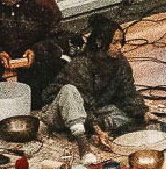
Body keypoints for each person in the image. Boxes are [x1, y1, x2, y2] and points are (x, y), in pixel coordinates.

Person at [41, 14, 149, 149]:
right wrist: (97, 129)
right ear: (99, 42)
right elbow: (84, 102)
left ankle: (92, 127)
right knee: (70, 92)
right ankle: (83, 142)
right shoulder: (81, 64)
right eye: (114, 42)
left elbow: (128, 93)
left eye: (120, 42)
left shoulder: (120, 62)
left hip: (94, 110)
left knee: (129, 118)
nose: (119, 47)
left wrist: (143, 112)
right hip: (64, 111)